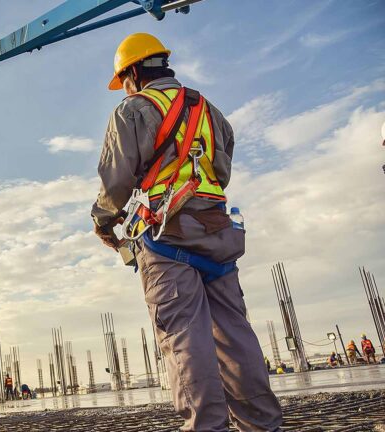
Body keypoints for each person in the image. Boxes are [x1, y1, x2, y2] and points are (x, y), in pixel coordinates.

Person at [91, 33, 283, 431]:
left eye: (122, 80)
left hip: (167, 239)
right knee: (235, 337)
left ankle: (206, 427)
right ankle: (263, 425)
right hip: (218, 234)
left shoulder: (133, 109)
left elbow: (116, 180)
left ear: (132, 72)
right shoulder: (208, 109)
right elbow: (222, 169)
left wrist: (103, 220)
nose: (122, 88)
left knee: (184, 339)